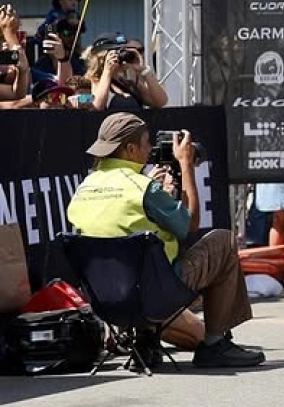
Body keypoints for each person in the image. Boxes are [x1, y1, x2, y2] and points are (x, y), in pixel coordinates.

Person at [65, 112, 264, 368]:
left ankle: (146, 340)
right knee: (223, 241)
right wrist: (185, 166)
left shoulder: (84, 187)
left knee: (136, 255)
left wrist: (157, 191)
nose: (150, 150)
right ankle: (215, 345)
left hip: (105, 303)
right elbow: (190, 224)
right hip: (154, 296)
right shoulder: (143, 188)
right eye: (148, 143)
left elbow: (117, 223)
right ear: (130, 148)